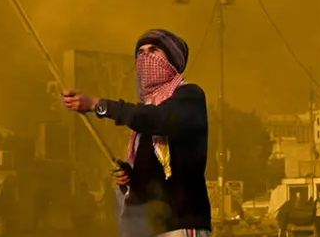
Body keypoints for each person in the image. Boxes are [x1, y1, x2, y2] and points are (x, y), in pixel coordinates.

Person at [62, 29, 211, 237]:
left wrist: (99, 105)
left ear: (172, 58)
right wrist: (129, 177)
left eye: (153, 50)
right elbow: (152, 169)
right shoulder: (145, 115)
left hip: (180, 223)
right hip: (147, 227)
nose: (145, 58)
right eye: (140, 53)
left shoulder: (188, 97)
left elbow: (158, 120)